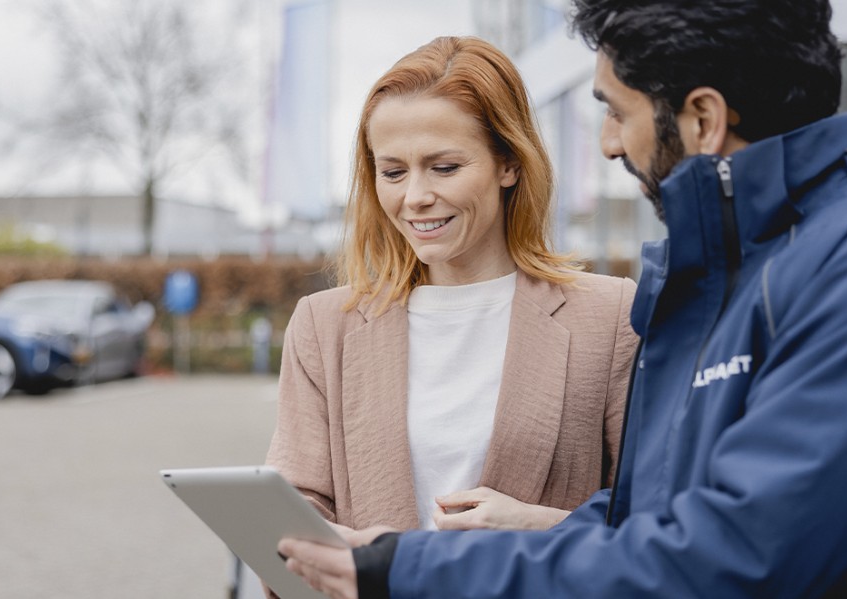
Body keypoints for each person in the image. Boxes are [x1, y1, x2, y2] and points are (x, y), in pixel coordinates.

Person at [278, 0, 847, 597]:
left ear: (702, 118)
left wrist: (409, 568)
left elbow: (732, 556)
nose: (608, 143)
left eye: (616, 111)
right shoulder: (735, 270)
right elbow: (656, 510)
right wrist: (512, 531)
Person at [265, 35, 639, 549]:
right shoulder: (324, 325)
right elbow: (293, 512)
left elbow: (653, 518)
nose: (415, 197)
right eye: (393, 172)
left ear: (509, 163)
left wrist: (542, 528)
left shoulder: (612, 316)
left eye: (444, 168)